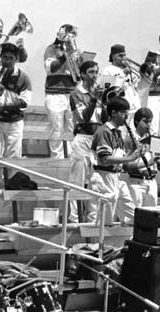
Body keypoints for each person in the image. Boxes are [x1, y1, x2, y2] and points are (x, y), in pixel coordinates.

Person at [0, 43, 32, 191]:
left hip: (15, 122)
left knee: (13, 158)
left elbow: (24, 103)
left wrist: (6, 106)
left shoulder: (23, 78)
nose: (7, 61)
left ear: (16, 59)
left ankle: (10, 188)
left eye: (10, 58)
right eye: (4, 57)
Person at [87, 97, 139, 226]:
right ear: (114, 113)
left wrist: (132, 151)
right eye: (123, 112)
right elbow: (105, 159)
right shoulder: (104, 131)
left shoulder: (117, 133)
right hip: (104, 176)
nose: (126, 116)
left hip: (117, 177)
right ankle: (97, 245)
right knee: (104, 219)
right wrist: (130, 157)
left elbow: (119, 158)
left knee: (133, 214)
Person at [68, 60, 104, 222]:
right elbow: (84, 117)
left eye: (96, 72)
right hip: (82, 138)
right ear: (82, 74)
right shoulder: (76, 94)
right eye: (91, 72)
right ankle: (74, 218)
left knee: (95, 181)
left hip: (96, 139)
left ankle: (93, 218)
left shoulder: (99, 94)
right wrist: (94, 99)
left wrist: (105, 102)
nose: (95, 75)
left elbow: (103, 119)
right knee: (77, 181)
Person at [44, 24, 79, 159]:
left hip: (71, 93)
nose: (71, 39)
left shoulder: (72, 50)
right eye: (68, 35)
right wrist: (65, 56)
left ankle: (71, 160)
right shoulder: (51, 49)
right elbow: (51, 68)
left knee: (71, 130)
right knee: (56, 130)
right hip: (55, 94)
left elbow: (77, 74)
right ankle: (57, 161)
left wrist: (79, 61)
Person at [123, 107, 159, 208]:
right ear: (136, 122)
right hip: (136, 182)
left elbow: (159, 161)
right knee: (135, 216)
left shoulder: (154, 138)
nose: (148, 125)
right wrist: (148, 163)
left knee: (152, 217)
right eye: (145, 121)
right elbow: (126, 166)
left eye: (150, 122)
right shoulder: (129, 139)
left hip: (152, 182)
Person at [100, 44, 141, 115]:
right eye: (120, 56)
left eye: (124, 55)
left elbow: (136, 86)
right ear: (113, 56)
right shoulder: (107, 70)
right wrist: (123, 74)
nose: (123, 58)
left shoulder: (127, 68)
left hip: (135, 107)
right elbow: (109, 91)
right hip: (121, 110)